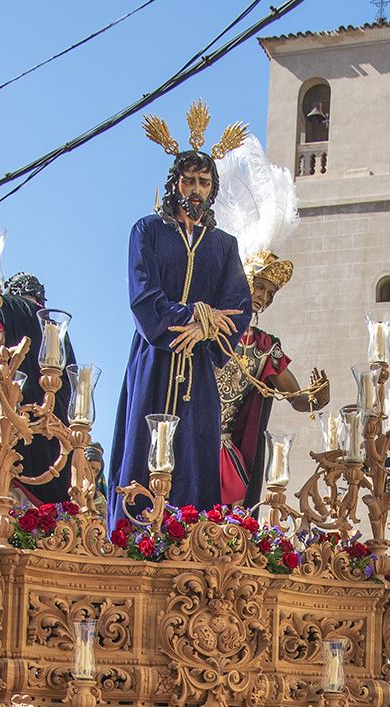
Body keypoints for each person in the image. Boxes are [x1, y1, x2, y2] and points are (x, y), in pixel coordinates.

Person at [107, 103, 255, 528]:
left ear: (213, 189)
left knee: (195, 451)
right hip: (154, 359)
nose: (195, 188)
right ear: (174, 183)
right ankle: (134, 538)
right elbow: (143, 296)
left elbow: (238, 307)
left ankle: (189, 535)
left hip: (200, 369)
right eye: (188, 180)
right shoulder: (147, 232)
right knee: (141, 446)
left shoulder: (224, 245)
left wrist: (207, 331)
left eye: (204, 182)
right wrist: (195, 318)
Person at [210, 132, 327, 506]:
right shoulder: (208, 329)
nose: (260, 296)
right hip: (189, 441)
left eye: (267, 293)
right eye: (256, 287)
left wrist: (317, 397)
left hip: (230, 452)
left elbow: (296, 397)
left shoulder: (264, 348)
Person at [0, 271, 79, 505]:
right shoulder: (56, 327)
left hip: (15, 412)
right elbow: (72, 380)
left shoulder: (3, 305)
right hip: (57, 421)